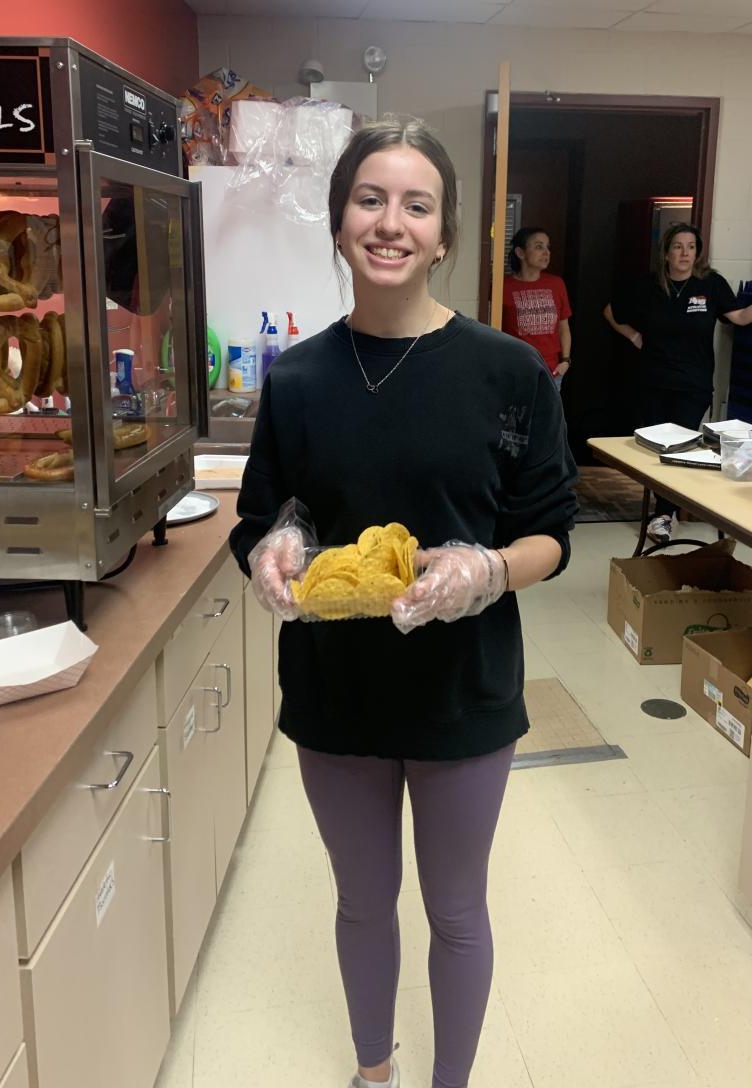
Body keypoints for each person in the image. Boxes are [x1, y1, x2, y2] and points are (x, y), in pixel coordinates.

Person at [229, 119, 577, 1088]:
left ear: (445, 232)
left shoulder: (507, 371)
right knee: (362, 899)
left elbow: (552, 529)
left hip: (463, 690)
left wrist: (488, 572)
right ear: (339, 222)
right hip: (336, 691)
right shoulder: (298, 378)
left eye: (416, 205)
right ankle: (373, 1071)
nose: (391, 223)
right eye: (370, 200)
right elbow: (261, 516)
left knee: (456, 909)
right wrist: (273, 549)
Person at [604, 221, 752, 542]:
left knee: (678, 448)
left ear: (698, 253)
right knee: (652, 450)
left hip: (692, 385)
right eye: (678, 247)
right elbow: (611, 311)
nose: (685, 253)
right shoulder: (648, 285)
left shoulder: (711, 284)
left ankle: (663, 515)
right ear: (666, 253)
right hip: (652, 381)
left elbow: (740, 317)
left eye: (691, 247)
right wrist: (634, 336)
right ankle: (659, 508)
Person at [501, 226, 573, 388]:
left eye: (548, 247)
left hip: (551, 372)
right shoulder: (503, 287)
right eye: (539, 247)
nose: (546, 252)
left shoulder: (556, 284)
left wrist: (565, 361)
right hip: (515, 371)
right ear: (520, 253)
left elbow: (564, 327)